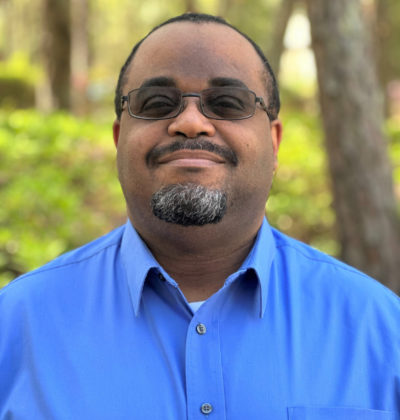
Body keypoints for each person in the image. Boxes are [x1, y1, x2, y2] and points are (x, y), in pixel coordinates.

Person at [1, 12, 399, 420]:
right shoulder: (16, 327)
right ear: (119, 139)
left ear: (274, 142)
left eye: (227, 103)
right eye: (157, 103)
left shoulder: (382, 331)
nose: (191, 123)